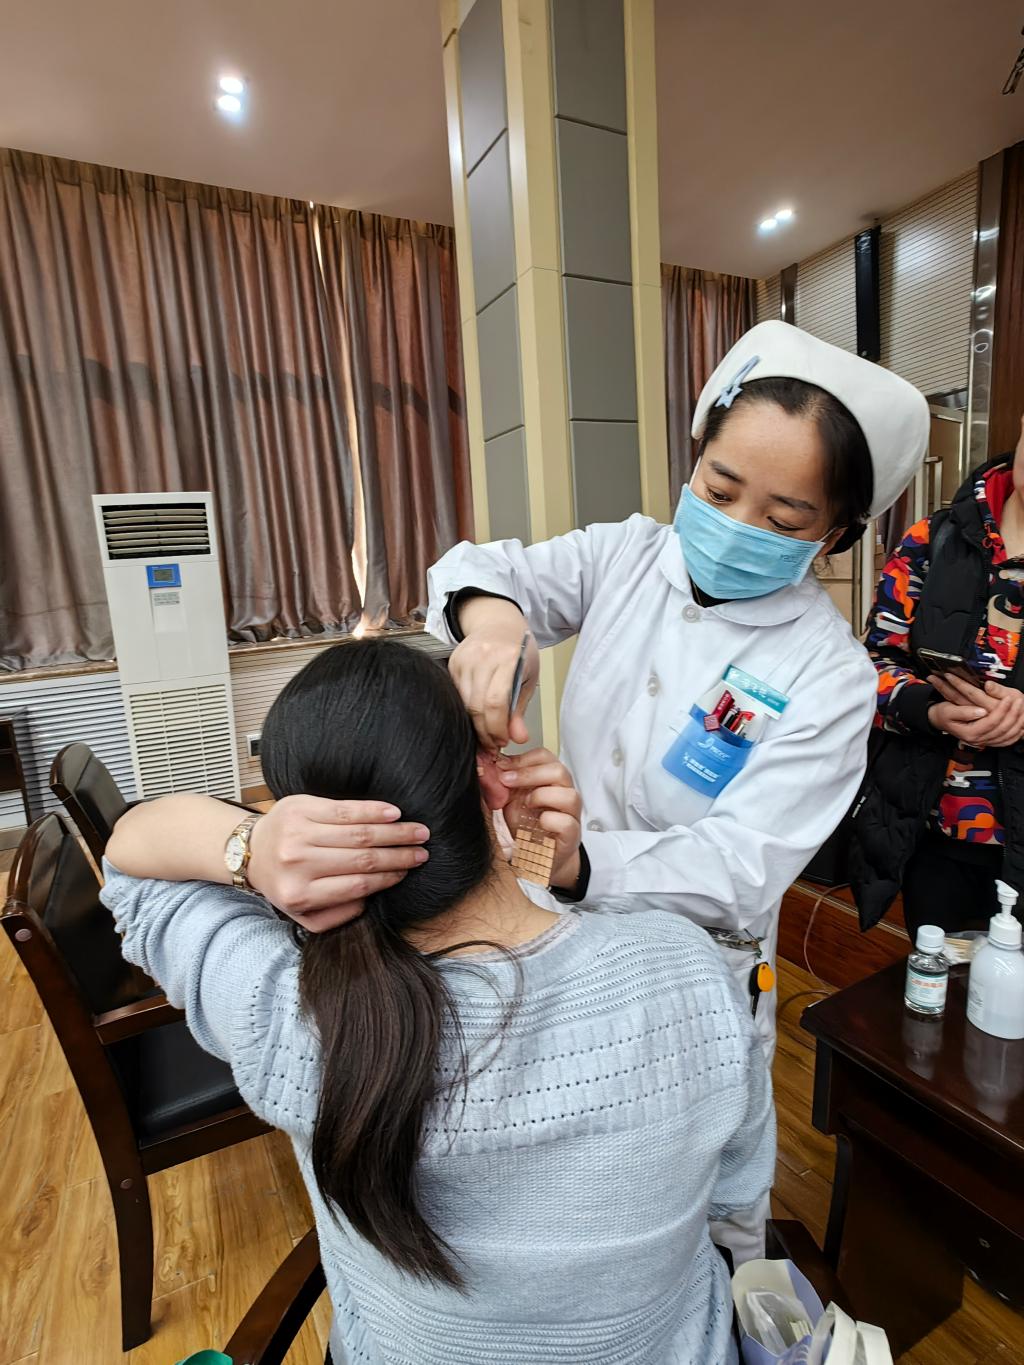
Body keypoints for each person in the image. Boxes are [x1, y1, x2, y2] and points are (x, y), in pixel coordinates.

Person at [102, 640, 773, 1365]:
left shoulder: (288, 1012)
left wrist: (246, 845)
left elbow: (130, 864)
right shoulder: (685, 970)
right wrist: (539, 858)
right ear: (489, 774)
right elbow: (734, 1189)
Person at [852, 414, 1024, 938]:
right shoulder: (934, 540)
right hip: (937, 835)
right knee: (936, 977)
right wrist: (930, 710)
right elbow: (869, 668)